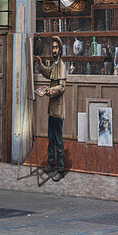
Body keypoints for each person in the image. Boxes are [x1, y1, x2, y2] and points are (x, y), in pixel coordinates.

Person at [33, 36, 67, 181]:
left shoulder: (62, 66)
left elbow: (62, 87)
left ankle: (60, 169)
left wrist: (49, 91)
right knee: (50, 138)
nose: (54, 50)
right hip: (52, 108)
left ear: (60, 50)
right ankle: (51, 164)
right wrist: (40, 64)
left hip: (58, 110)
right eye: (52, 47)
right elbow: (48, 73)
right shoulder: (54, 65)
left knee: (58, 140)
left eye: (56, 48)